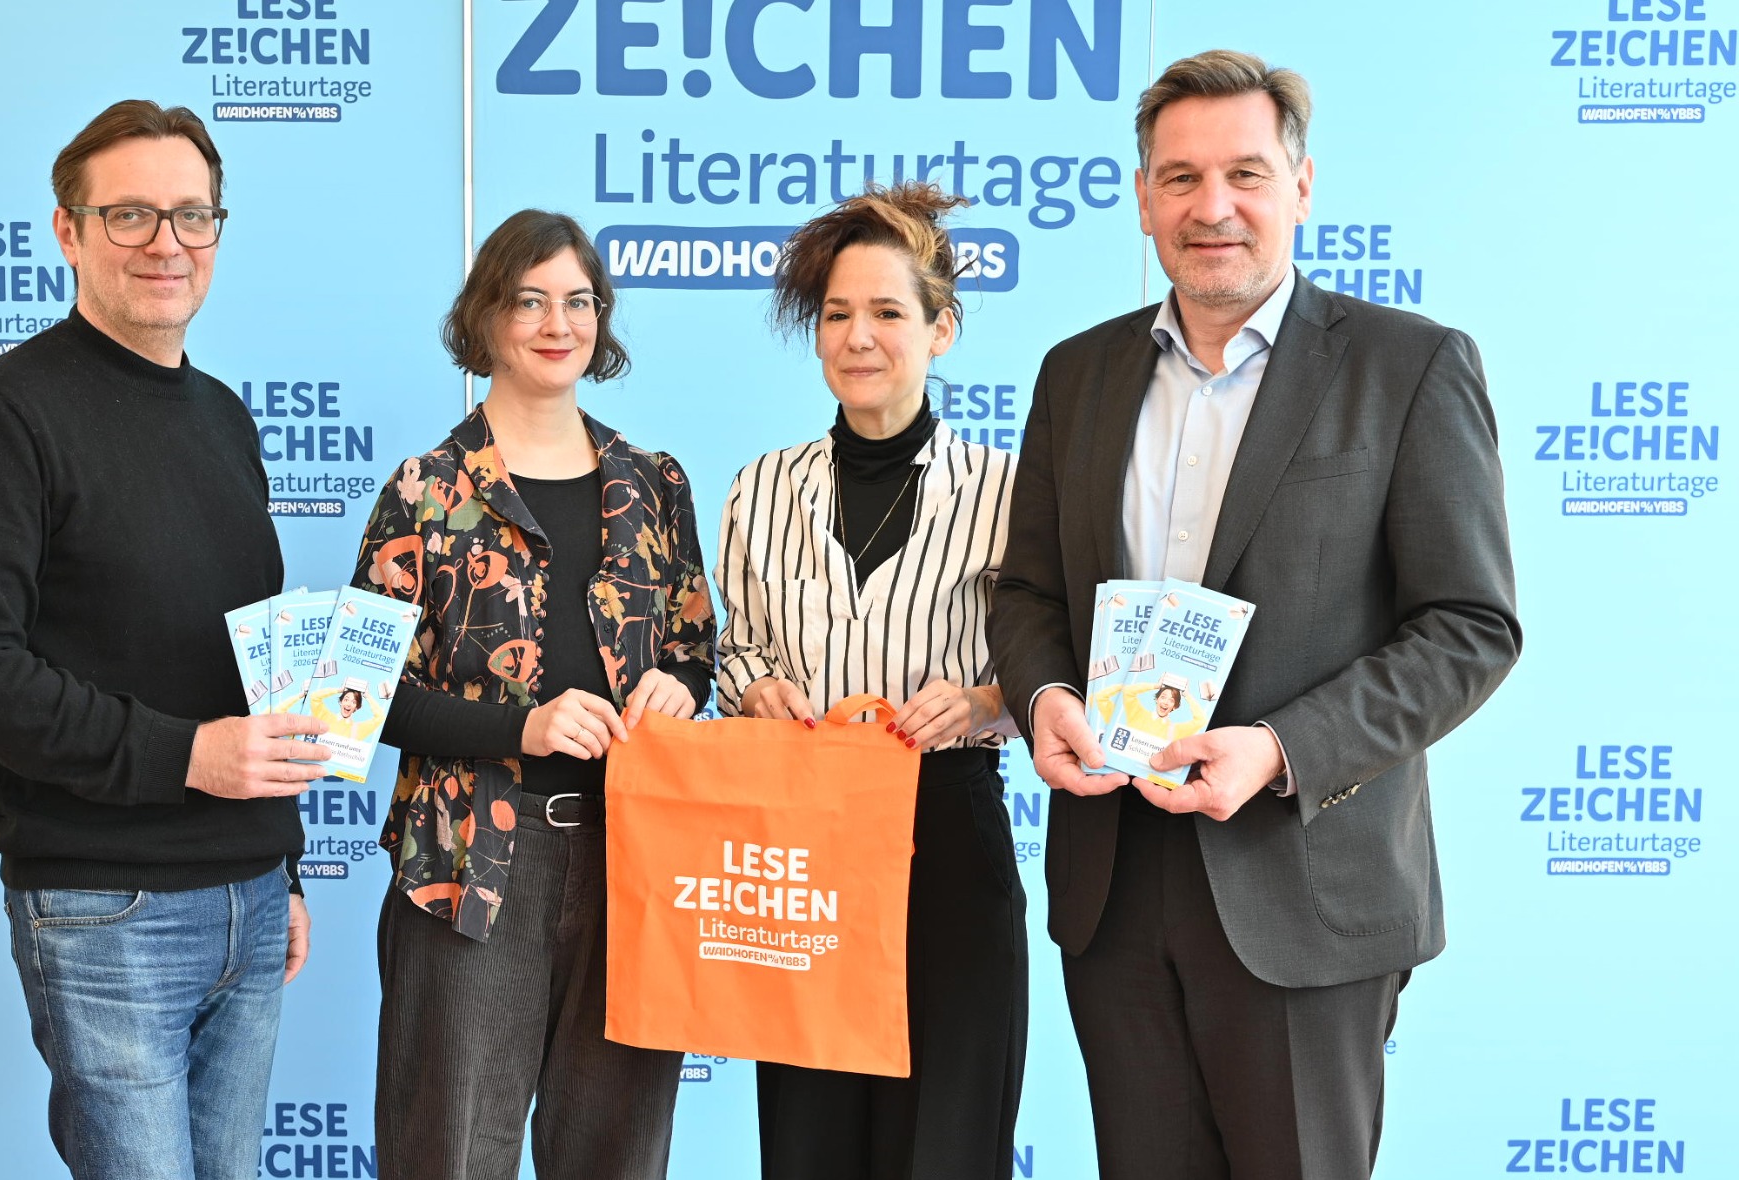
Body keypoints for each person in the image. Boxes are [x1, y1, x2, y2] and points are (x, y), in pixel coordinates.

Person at [990, 50, 1521, 1180]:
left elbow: (1469, 625)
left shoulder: (1409, 366)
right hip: (1114, 887)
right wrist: (1045, 697)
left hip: (1304, 888)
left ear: (1302, 186)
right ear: (1144, 199)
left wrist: (1280, 748)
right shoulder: (1076, 374)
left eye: (1245, 173)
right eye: (1180, 178)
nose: (1212, 207)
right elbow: (1027, 589)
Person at [0, 100, 330, 1180]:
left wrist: (283, 867)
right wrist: (188, 755)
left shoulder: (225, 417)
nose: (167, 243)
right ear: (69, 230)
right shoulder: (3, 413)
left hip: (249, 895)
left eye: (192, 215)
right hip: (107, 905)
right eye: (131, 214)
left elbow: (246, 668)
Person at [351, 209, 716, 1180]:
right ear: (486, 317)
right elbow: (366, 697)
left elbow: (694, 653)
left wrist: (680, 690)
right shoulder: (425, 491)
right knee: (448, 1154)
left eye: (579, 301)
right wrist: (528, 726)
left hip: (636, 868)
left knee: (618, 1155)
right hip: (468, 871)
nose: (560, 324)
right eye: (531, 301)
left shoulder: (654, 483)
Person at [715, 181, 1025, 1180]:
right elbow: (735, 650)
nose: (858, 337)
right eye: (837, 314)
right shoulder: (761, 488)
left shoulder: (1007, 492)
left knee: (946, 1142)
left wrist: (985, 703)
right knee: (809, 1141)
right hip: (801, 851)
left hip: (948, 835)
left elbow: (1050, 671)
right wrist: (752, 690)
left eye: (888, 312)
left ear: (941, 329)